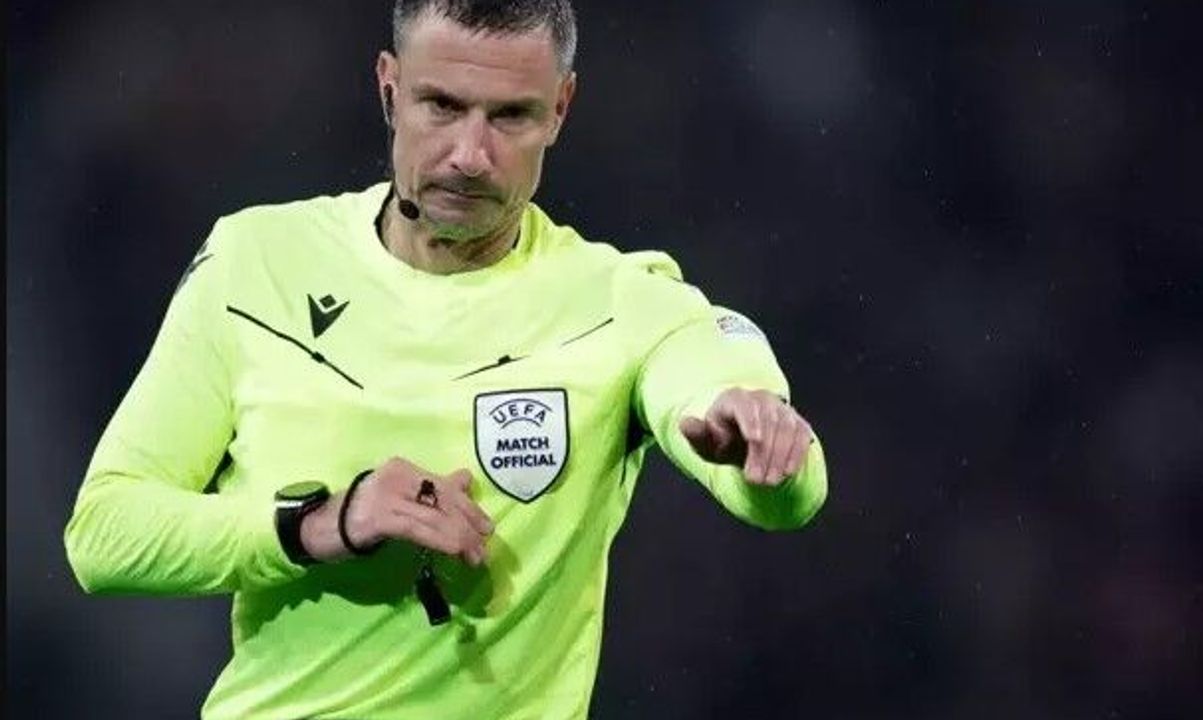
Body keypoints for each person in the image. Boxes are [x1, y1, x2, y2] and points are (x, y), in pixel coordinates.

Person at [63, 1, 829, 717]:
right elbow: (103, 535)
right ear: (389, 89)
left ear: (559, 110)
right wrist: (321, 524)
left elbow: (774, 479)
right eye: (441, 106)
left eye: (510, 116)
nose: (469, 155)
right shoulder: (256, 259)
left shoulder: (621, 301)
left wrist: (763, 442)